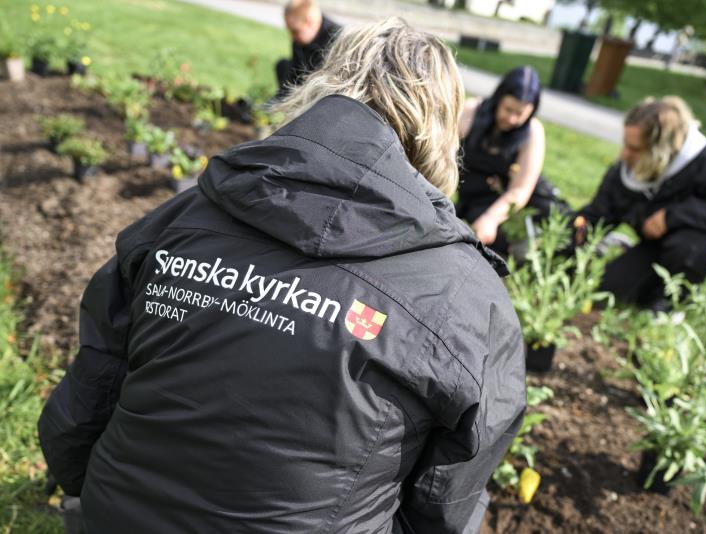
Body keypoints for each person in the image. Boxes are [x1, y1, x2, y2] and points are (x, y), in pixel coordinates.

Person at [38, 18, 526, 534]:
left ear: (325, 85)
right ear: (444, 129)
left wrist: (84, 495)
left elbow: (82, 408)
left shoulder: (182, 219)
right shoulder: (467, 298)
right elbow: (444, 509)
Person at [575, 95, 706, 308]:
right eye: (625, 145)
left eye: (635, 149)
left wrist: (673, 216)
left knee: (687, 248)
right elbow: (597, 215)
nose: (624, 155)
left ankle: (671, 306)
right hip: (659, 246)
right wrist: (560, 239)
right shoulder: (626, 172)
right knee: (608, 290)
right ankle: (653, 291)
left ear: (662, 150)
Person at [456, 65, 567, 256]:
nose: (512, 118)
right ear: (499, 98)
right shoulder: (471, 112)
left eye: (520, 114)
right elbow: (444, 155)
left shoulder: (532, 132)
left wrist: (491, 218)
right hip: (472, 197)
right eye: (508, 109)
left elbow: (520, 191)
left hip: (515, 204)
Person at [275, 0, 340, 97]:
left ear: (309, 21)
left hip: (326, 92)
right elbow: (294, 71)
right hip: (305, 83)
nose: (292, 37)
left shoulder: (337, 38)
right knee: (282, 65)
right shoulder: (299, 41)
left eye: (295, 31)